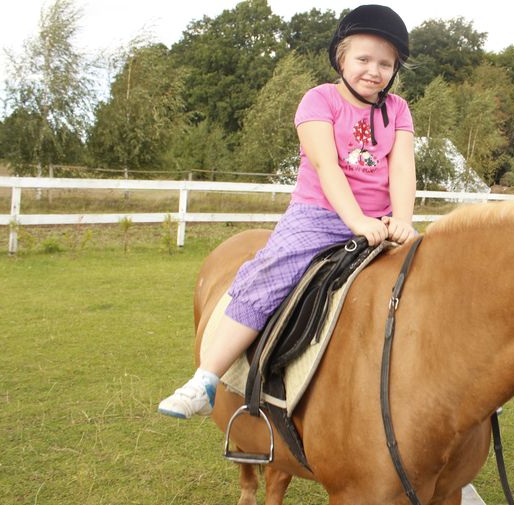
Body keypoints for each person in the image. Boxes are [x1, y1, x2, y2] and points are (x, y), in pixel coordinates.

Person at [159, 4, 417, 419]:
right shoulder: (320, 100)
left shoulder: (398, 109)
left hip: (382, 220)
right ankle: (205, 379)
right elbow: (325, 165)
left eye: (385, 63)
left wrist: (401, 220)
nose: (374, 70)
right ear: (341, 58)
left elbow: (402, 167)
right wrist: (356, 221)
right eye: (364, 59)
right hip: (318, 215)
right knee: (272, 272)